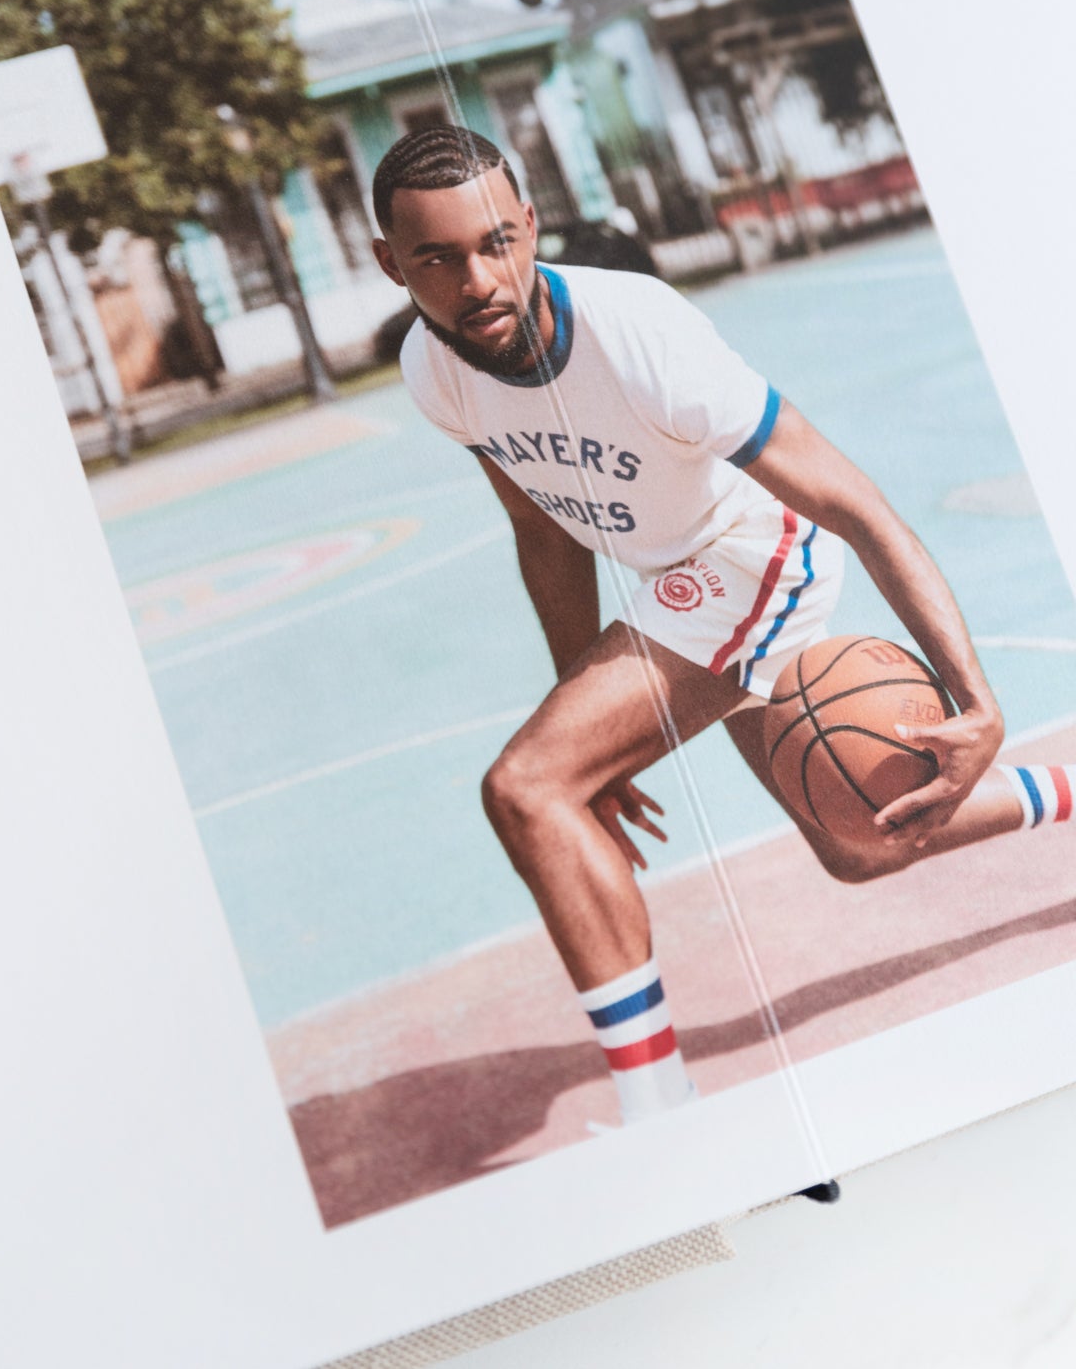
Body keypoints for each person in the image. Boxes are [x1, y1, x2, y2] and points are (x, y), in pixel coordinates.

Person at [372, 125, 1067, 1126]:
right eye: (435, 257)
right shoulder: (434, 371)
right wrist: (596, 735)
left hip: (752, 559)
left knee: (525, 788)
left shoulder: (639, 336)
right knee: (861, 844)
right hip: (674, 583)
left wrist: (979, 699)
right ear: (391, 264)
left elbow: (858, 505)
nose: (476, 279)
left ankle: (662, 1109)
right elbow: (542, 528)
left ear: (530, 228)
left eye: (495, 243)